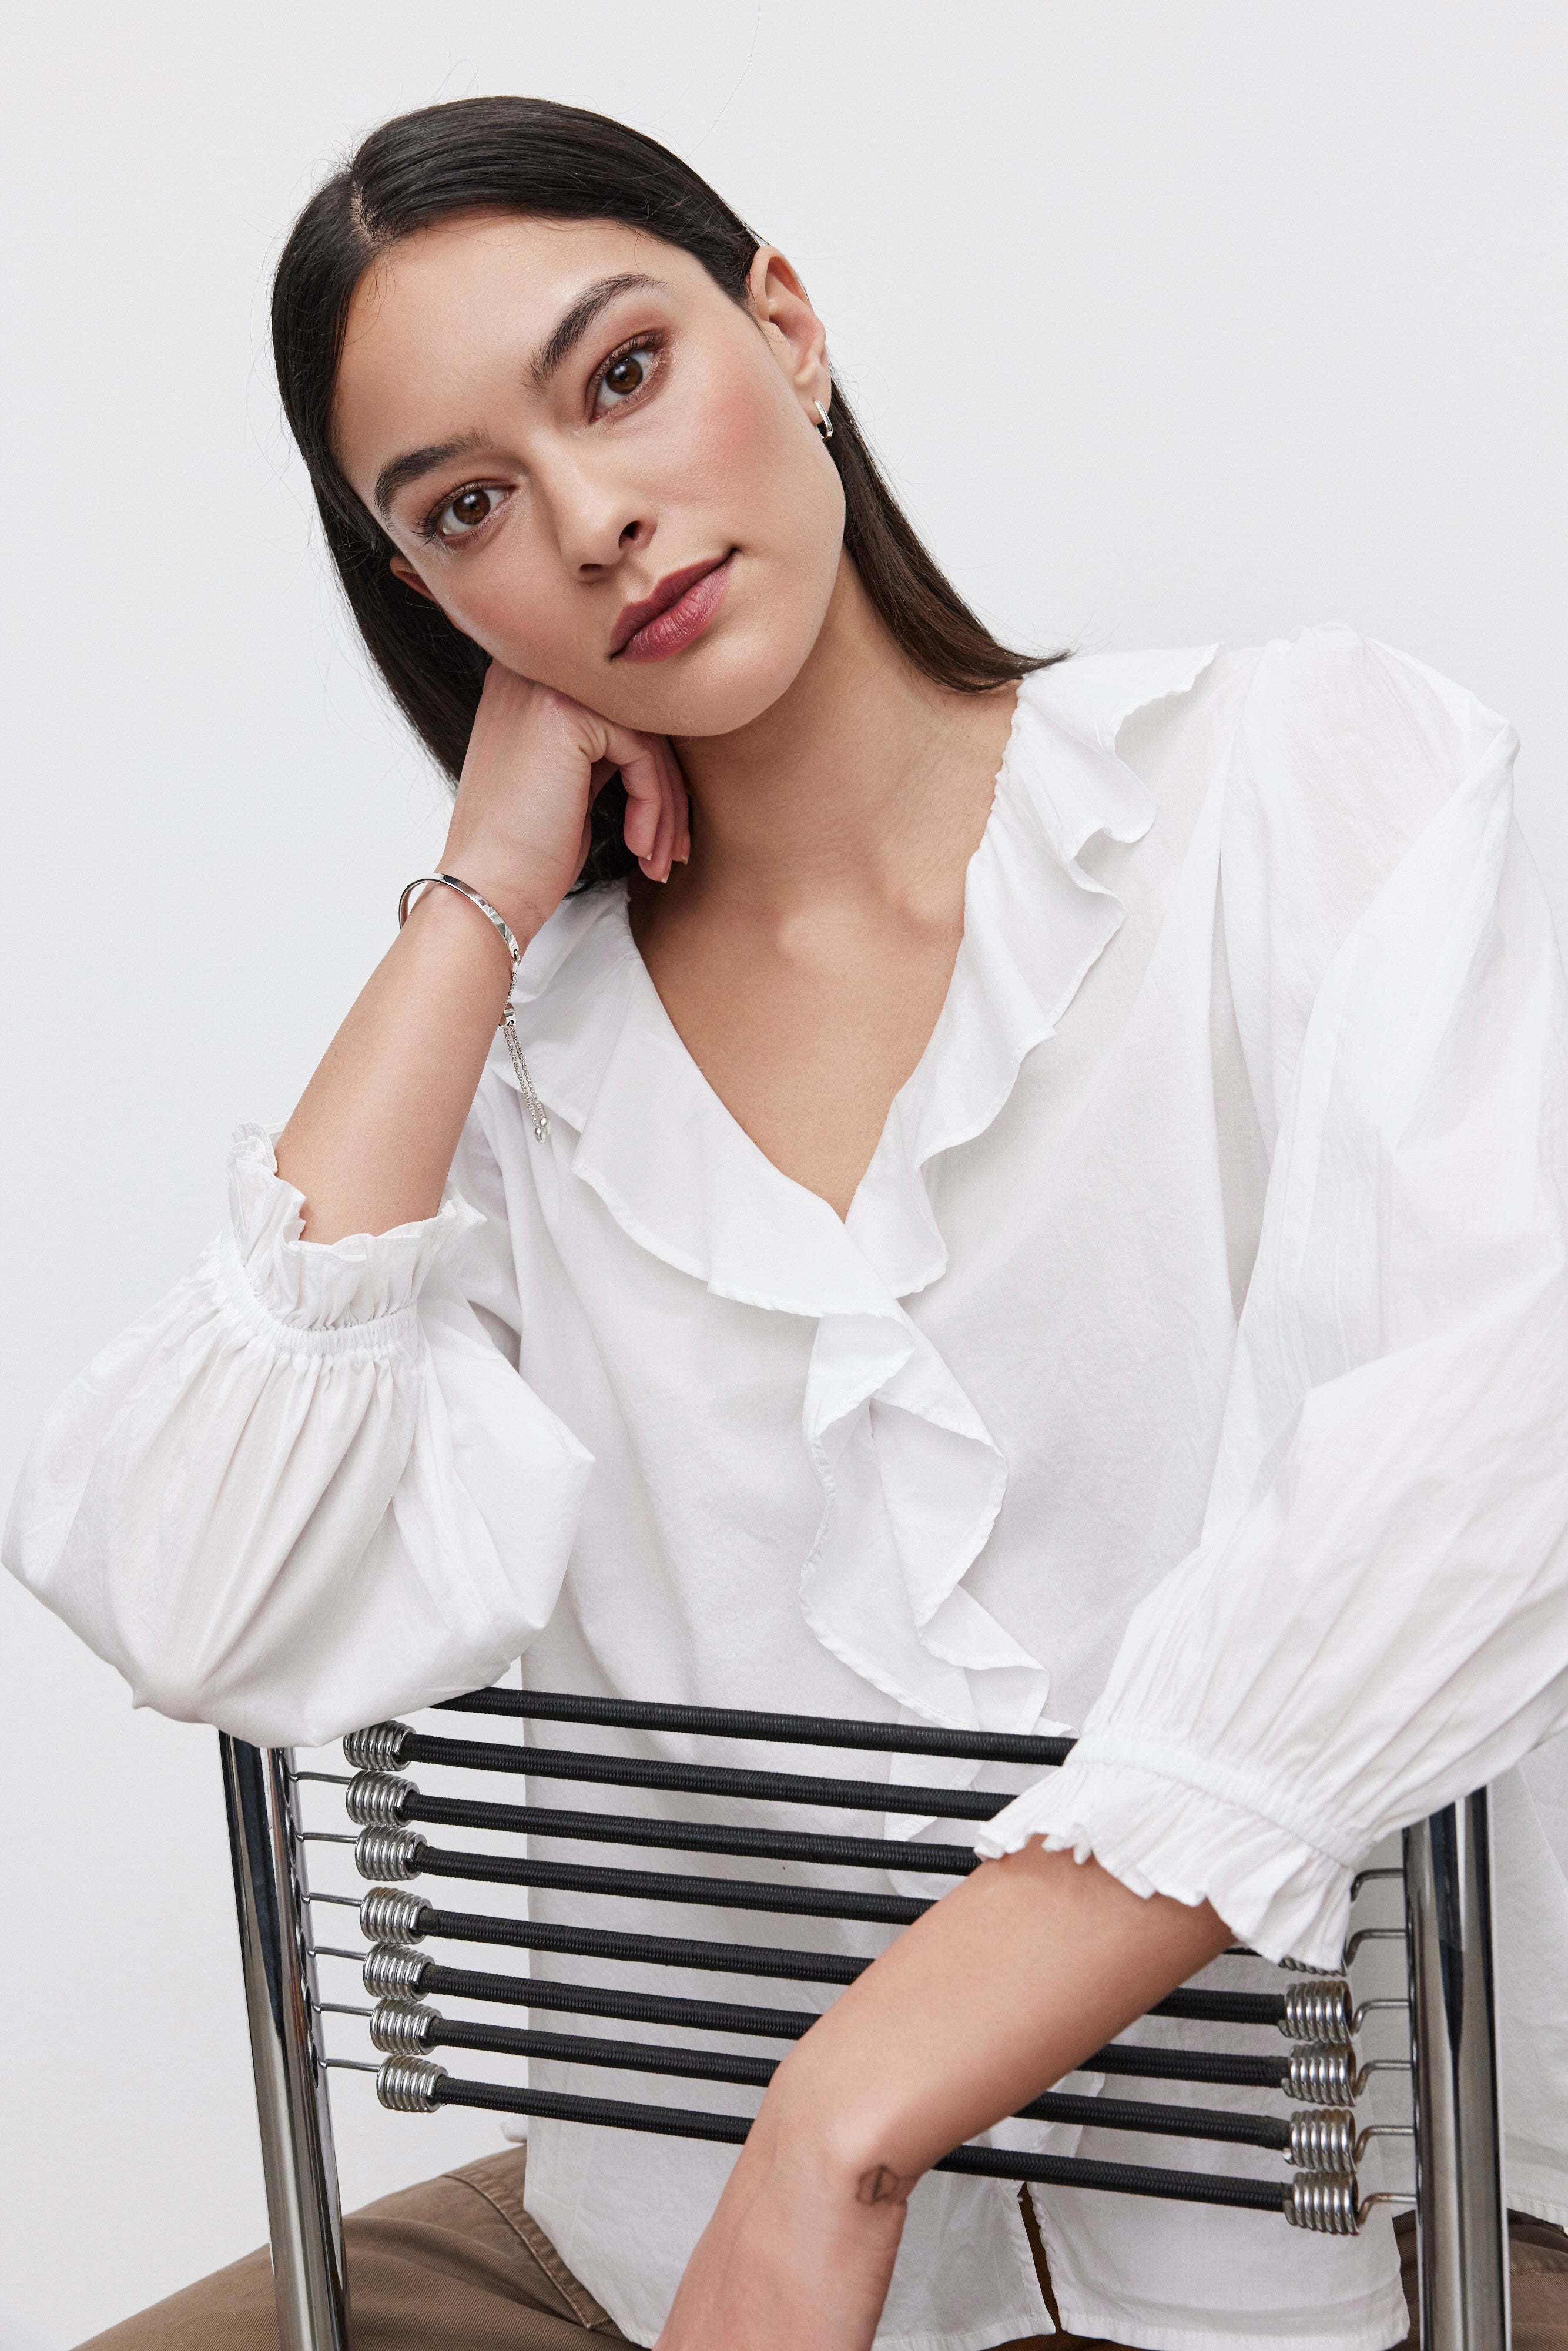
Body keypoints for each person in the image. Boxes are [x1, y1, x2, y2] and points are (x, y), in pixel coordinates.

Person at [8, 92, 1568, 2351]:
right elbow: (189, 1585)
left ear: (787, 324)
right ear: (432, 594)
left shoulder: (1301, 788)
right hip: (665, 2257)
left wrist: (858, 2104)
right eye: (469, 507)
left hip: (1352, 2234)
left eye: (618, 374)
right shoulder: (525, 1077)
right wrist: (478, 897)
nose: (595, 517)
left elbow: (1480, 1465)